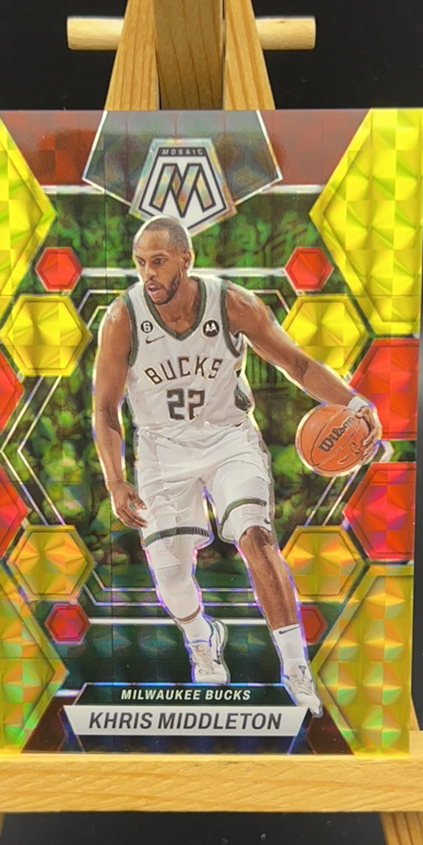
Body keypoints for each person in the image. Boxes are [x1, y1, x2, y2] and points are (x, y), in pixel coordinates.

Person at [91, 216, 381, 714]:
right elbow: (104, 409)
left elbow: (297, 364)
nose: (149, 274)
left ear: (186, 259)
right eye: (141, 263)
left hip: (229, 438)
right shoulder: (122, 318)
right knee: (172, 580)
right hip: (162, 451)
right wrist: (115, 481)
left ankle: (296, 666)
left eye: (158, 261)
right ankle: (201, 638)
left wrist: (355, 403)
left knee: (255, 536)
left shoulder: (232, 304)